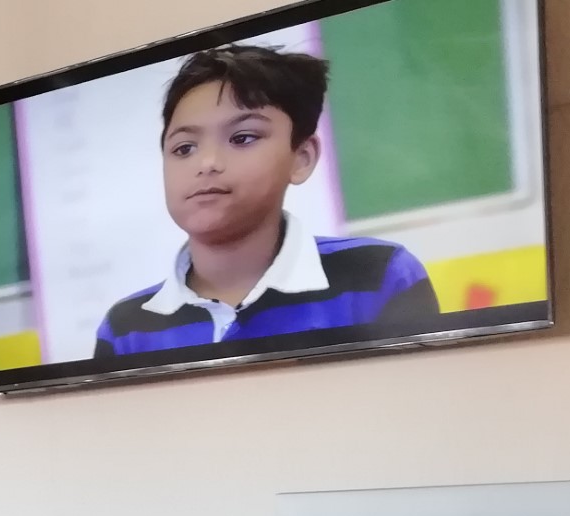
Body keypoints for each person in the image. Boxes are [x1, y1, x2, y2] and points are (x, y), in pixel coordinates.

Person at [93, 45, 439, 358]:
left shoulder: (378, 276)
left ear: (302, 157)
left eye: (242, 138)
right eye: (184, 148)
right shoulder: (126, 328)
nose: (207, 163)